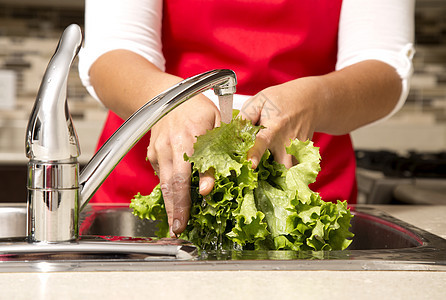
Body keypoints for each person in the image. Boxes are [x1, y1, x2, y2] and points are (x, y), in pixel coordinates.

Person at [79, 0, 415, 237]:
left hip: (297, 194)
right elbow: (113, 53)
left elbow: (383, 68)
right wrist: (169, 100)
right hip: (151, 183)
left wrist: (316, 99)